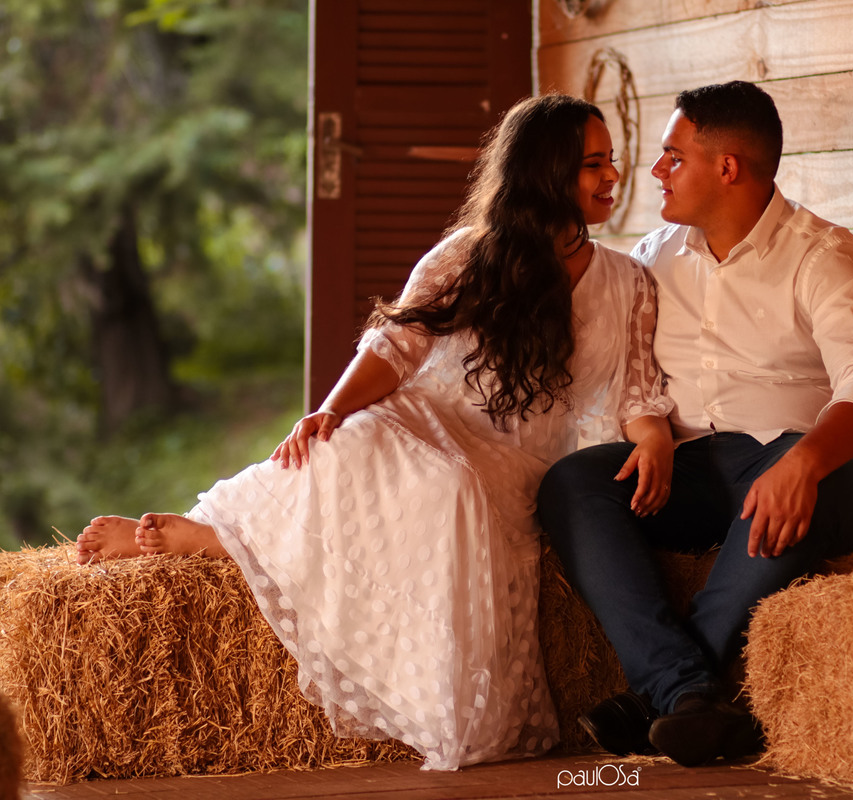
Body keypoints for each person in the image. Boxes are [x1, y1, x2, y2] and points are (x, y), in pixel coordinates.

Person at [74, 94, 676, 771]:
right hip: (432, 414)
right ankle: (213, 536)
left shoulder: (628, 281)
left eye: (610, 160)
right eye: (593, 164)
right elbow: (396, 348)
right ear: (546, 173)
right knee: (352, 441)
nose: (612, 176)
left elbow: (636, 390)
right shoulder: (466, 256)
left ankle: (227, 546)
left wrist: (653, 437)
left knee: (449, 488)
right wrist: (329, 410)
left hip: (516, 457)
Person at [537, 81, 853, 768]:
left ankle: (659, 694)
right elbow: (630, 379)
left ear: (727, 167)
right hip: (694, 471)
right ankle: (687, 693)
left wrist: (804, 463)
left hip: (809, 470)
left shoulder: (824, 255)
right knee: (573, 481)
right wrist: (650, 432)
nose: (655, 171)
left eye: (674, 157)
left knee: (800, 464)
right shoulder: (653, 257)